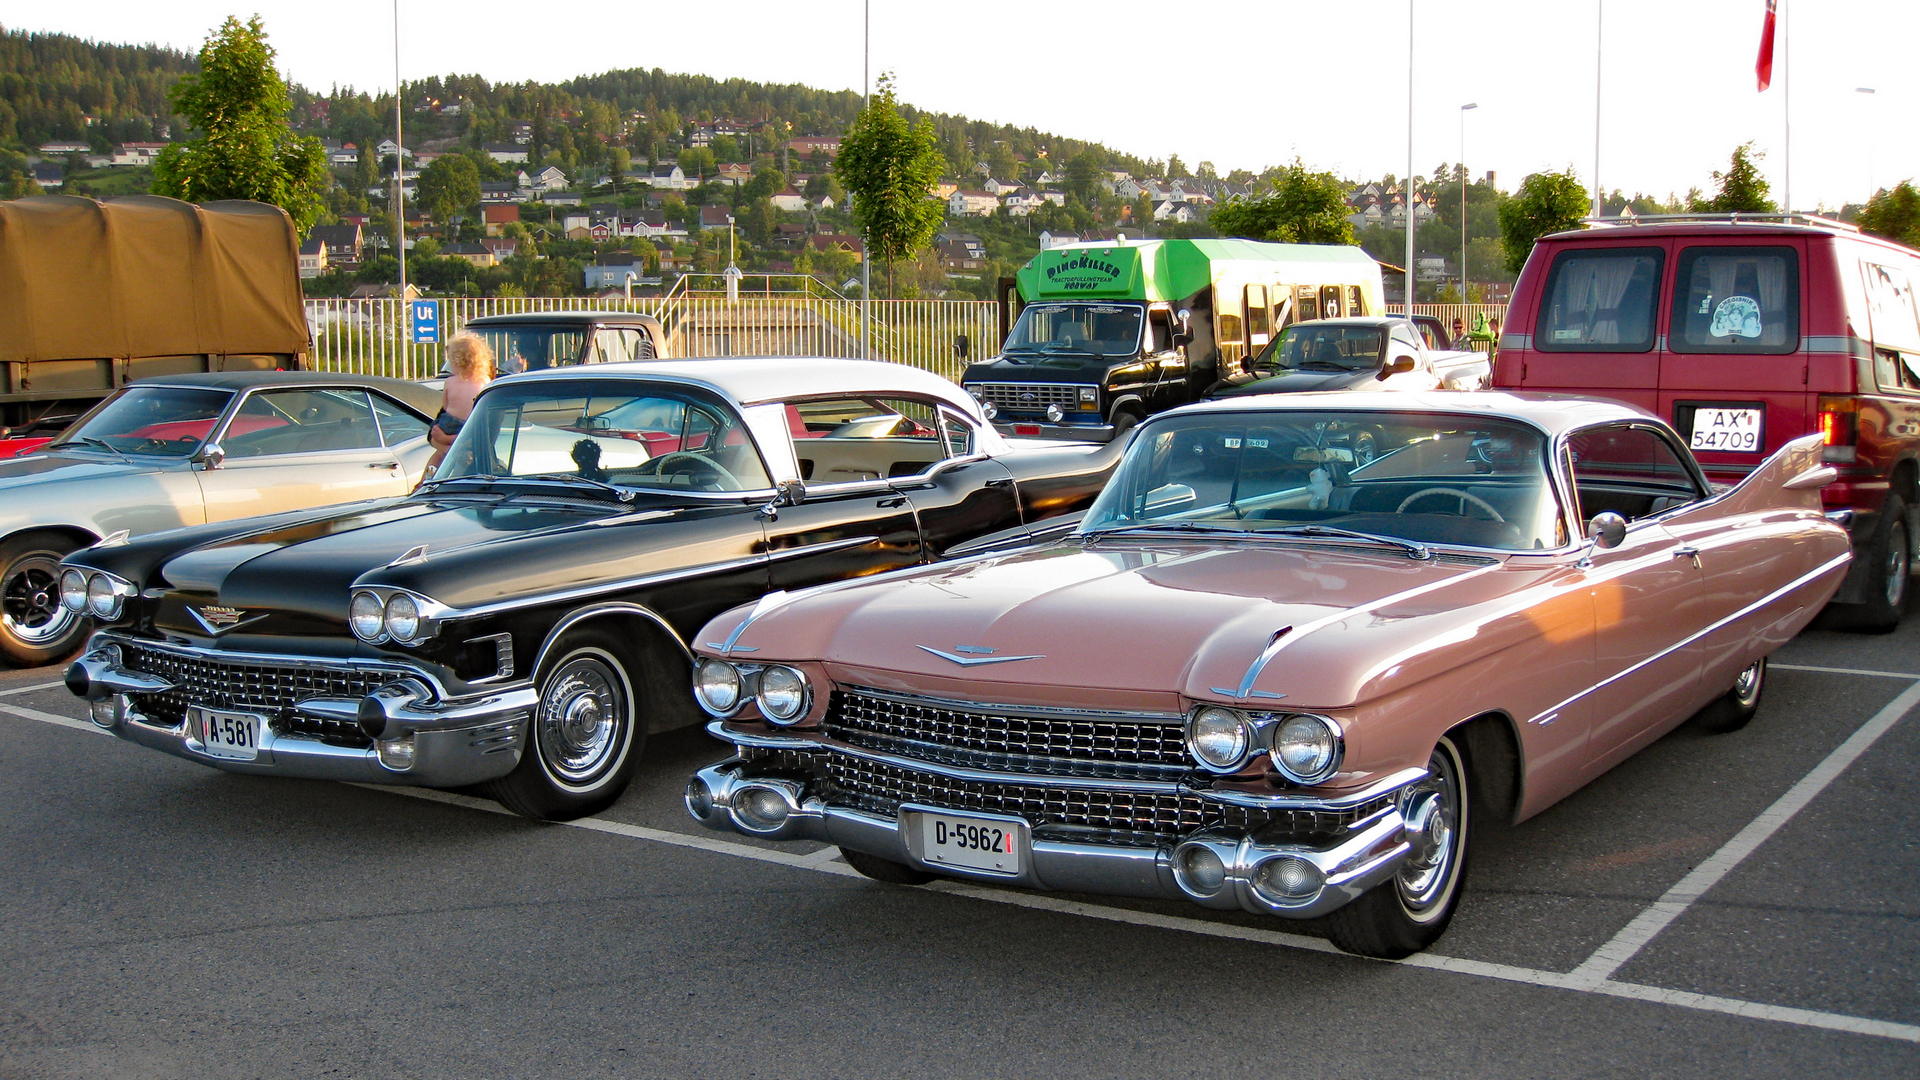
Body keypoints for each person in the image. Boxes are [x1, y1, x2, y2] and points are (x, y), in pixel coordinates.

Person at [424, 332, 494, 478]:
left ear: (456, 362)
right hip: (469, 425)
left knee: (438, 454)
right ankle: (456, 476)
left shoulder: (450, 382)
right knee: (465, 458)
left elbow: (445, 406)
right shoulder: (485, 382)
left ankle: (426, 479)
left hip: (448, 423)